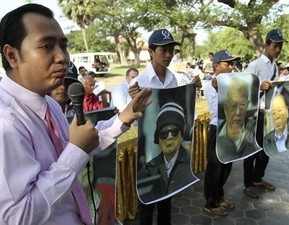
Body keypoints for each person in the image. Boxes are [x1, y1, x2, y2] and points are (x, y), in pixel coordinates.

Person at [0, 4, 152, 225]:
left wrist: (122, 118)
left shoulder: (49, 105)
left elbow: (79, 143)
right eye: (46, 46)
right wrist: (76, 153)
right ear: (12, 55)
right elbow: (16, 216)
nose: (62, 57)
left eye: (63, 46)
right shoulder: (6, 122)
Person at [128, 28, 201, 225]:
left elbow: (178, 106)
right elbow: (135, 121)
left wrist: (193, 89)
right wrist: (133, 102)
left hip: (170, 153)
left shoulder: (172, 78)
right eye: (163, 50)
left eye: (171, 50)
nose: (168, 55)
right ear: (151, 52)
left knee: (167, 199)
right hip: (149, 151)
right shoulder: (140, 82)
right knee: (147, 202)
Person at [243, 29, 285, 199]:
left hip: (269, 112)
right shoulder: (255, 65)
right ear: (266, 45)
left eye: (280, 46)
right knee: (252, 149)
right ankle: (247, 184)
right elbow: (245, 88)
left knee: (267, 148)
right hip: (256, 113)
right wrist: (259, 87)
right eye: (275, 46)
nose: (277, 49)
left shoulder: (275, 66)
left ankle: (258, 178)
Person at [137, 102, 197, 203]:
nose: (169, 137)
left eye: (174, 131)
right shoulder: (148, 170)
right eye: (164, 133)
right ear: (158, 140)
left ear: (182, 134)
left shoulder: (190, 161)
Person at [203, 50, 240, 216]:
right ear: (216, 66)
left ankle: (219, 197)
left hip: (232, 128)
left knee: (227, 166)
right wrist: (221, 91)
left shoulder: (234, 83)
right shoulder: (211, 85)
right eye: (227, 64)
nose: (231, 67)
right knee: (215, 168)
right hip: (218, 129)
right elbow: (218, 112)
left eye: (232, 64)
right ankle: (210, 203)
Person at [217, 76, 260, 163]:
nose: (238, 112)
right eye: (233, 105)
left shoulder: (252, 137)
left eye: (242, 105)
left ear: (247, 105)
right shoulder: (217, 133)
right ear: (225, 108)